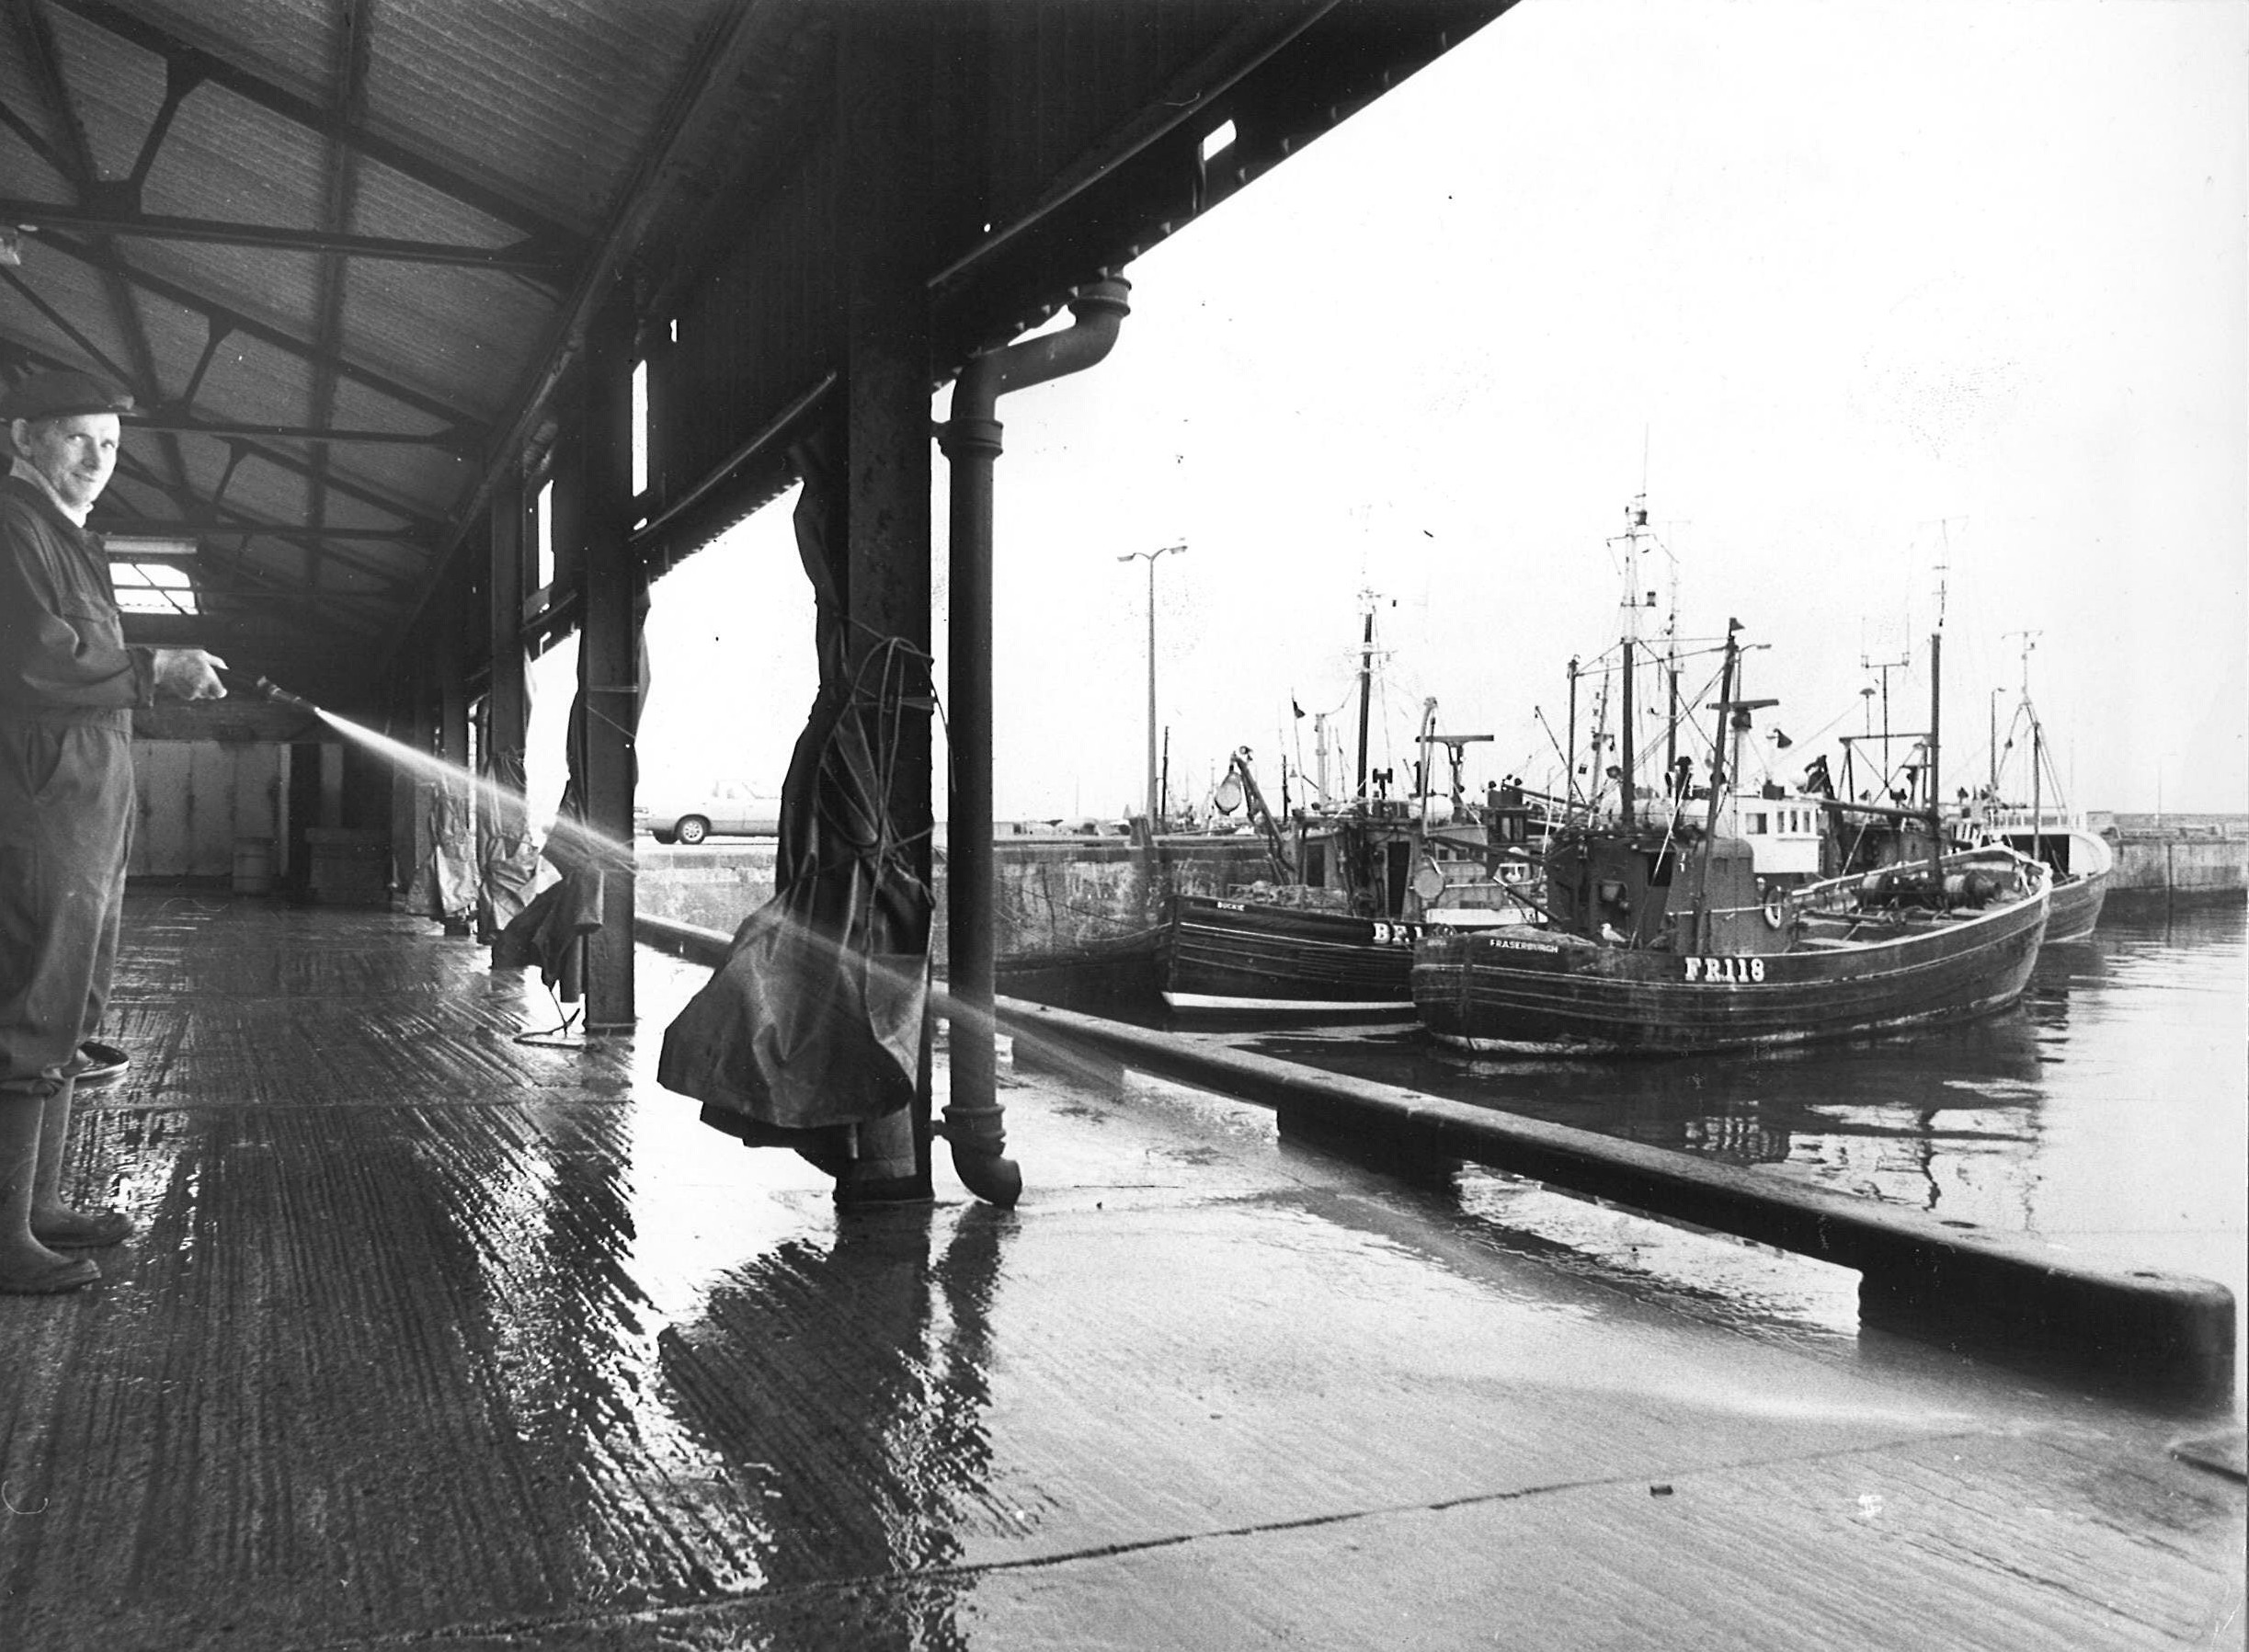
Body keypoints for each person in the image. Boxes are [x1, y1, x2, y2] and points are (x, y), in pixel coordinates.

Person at [0, 370, 227, 1293]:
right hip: (39, 787)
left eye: (110, 444)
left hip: (90, 790)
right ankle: (4, 1238)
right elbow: (32, 661)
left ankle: (38, 1207)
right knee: (32, 997)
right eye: (75, 439)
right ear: (23, 436)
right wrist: (152, 666)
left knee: (74, 1001)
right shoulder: (13, 526)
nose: (98, 460)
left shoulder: (68, 535)